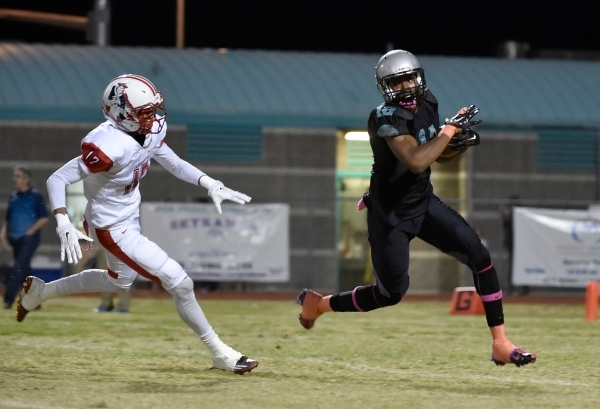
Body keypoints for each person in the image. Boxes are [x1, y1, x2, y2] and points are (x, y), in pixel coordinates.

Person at [295, 50, 536, 367]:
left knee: (480, 255)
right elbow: (416, 159)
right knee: (390, 293)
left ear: (420, 77)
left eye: (411, 78)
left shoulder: (429, 102)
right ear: (386, 87)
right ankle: (320, 305)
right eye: (399, 81)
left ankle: (500, 343)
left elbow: (435, 155)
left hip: (422, 204)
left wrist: (455, 145)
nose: (408, 87)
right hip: (390, 218)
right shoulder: (384, 116)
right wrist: (448, 131)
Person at [15, 74, 258, 375]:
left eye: (153, 110)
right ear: (121, 113)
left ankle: (41, 292)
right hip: (112, 227)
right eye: (144, 112)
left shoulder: (150, 131)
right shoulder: (108, 144)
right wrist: (62, 219)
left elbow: (172, 161)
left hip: (128, 214)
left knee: (119, 280)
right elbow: (58, 178)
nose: (152, 118)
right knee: (180, 283)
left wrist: (209, 183)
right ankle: (220, 352)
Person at [1, 166, 49, 309]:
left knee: (18, 268)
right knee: (24, 270)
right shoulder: (14, 197)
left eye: (17, 176)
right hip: (15, 239)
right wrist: (3, 233)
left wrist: (30, 231)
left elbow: (44, 218)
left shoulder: (35, 196)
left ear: (25, 179)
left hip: (29, 239)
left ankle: (8, 299)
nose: (14, 179)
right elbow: (8, 218)